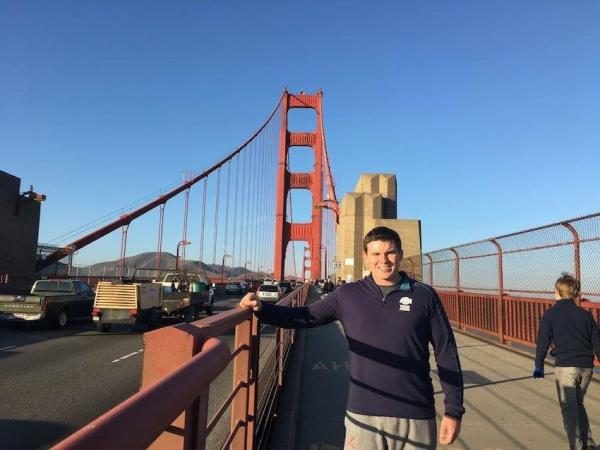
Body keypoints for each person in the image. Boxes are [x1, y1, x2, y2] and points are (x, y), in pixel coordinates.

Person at [239, 226, 464, 449]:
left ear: (401, 254)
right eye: (376, 254)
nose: (383, 260)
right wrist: (262, 309)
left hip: (416, 413)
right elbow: (305, 316)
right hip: (363, 415)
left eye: (390, 252)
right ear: (365, 257)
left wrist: (453, 410)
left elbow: (446, 351)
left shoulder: (424, 296)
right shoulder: (348, 295)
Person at [534, 273, 600, 450]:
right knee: (578, 404)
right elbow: (597, 341)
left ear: (557, 292)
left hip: (566, 367)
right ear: (575, 293)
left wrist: (538, 365)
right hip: (586, 368)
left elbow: (542, 341)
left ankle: (578, 447)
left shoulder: (551, 314)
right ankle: (589, 443)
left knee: (569, 411)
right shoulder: (585, 315)